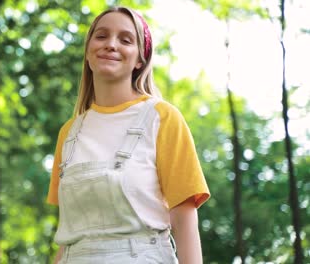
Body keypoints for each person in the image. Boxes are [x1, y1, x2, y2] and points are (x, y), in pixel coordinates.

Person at [46, 6, 210, 264]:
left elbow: (184, 217)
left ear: (139, 59)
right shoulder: (69, 133)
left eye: (125, 39)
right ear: (88, 53)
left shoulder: (162, 118)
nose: (111, 45)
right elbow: (69, 234)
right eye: (101, 36)